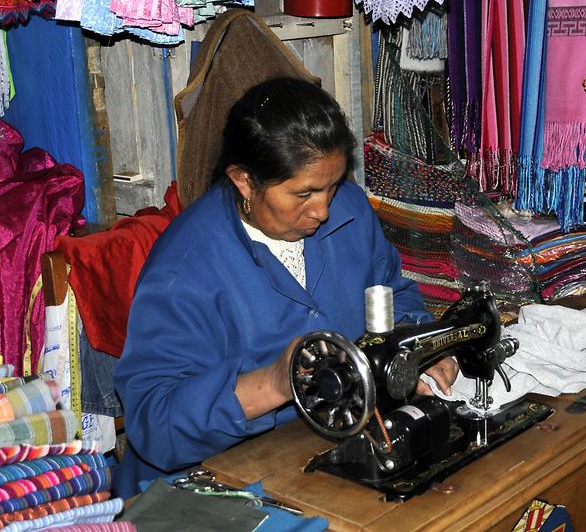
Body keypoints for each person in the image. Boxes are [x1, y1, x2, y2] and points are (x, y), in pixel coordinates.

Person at [113, 78, 458, 498]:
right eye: (304, 193)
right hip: (207, 484)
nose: (324, 209)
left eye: (331, 185)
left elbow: (392, 293)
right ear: (243, 180)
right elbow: (155, 427)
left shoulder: (347, 208)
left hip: (317, 452)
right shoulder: (184, 272)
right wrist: (275, 382)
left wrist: (421, 349)